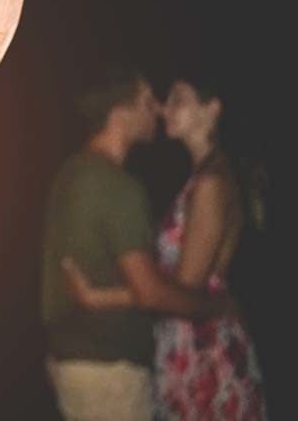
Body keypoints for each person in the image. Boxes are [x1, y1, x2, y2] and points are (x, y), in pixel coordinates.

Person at [62, 73, 266, 420]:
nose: (163, 108)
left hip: (203, 349)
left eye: (178, 99)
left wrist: (99, 297)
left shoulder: (211, 183)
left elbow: (185, 292)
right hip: (189, 341)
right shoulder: (203, 178)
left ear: (212, 110)